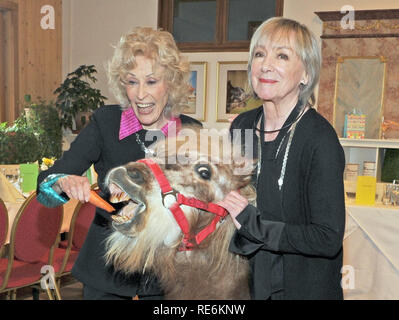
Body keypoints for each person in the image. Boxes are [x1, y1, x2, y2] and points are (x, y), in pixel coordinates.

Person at [36, 27, 202, 300]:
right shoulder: (106, 122)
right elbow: (45, 186)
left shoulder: (192, 133)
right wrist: (63, 182)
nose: (140, 94)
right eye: (131, 81)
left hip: (167, 276)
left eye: (151, 81)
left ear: (170, 83)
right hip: (106, 272)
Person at [218, 17, 346, 300]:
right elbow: (231, 198)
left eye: (282, 55)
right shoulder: (241, 126)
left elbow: (327, 238)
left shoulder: (319, 139)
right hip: (246, 284)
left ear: (305, 74)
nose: (266, 64)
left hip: (302, 287)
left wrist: (254, 224)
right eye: (259, 54)